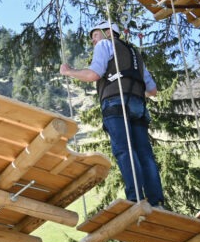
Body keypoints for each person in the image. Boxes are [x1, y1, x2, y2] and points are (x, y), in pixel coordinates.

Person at [59, 22, 164, 206]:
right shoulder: (135, 54)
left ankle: (135, 198)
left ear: (108, 33)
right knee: (145, 154)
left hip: (116, 102)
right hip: (138, 105)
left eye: (96, 35)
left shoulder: (105, 44)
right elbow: (152, 90)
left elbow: (94, 74)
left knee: (125, 151)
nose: (93, 40)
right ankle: (156, 200)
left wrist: (69, 72)